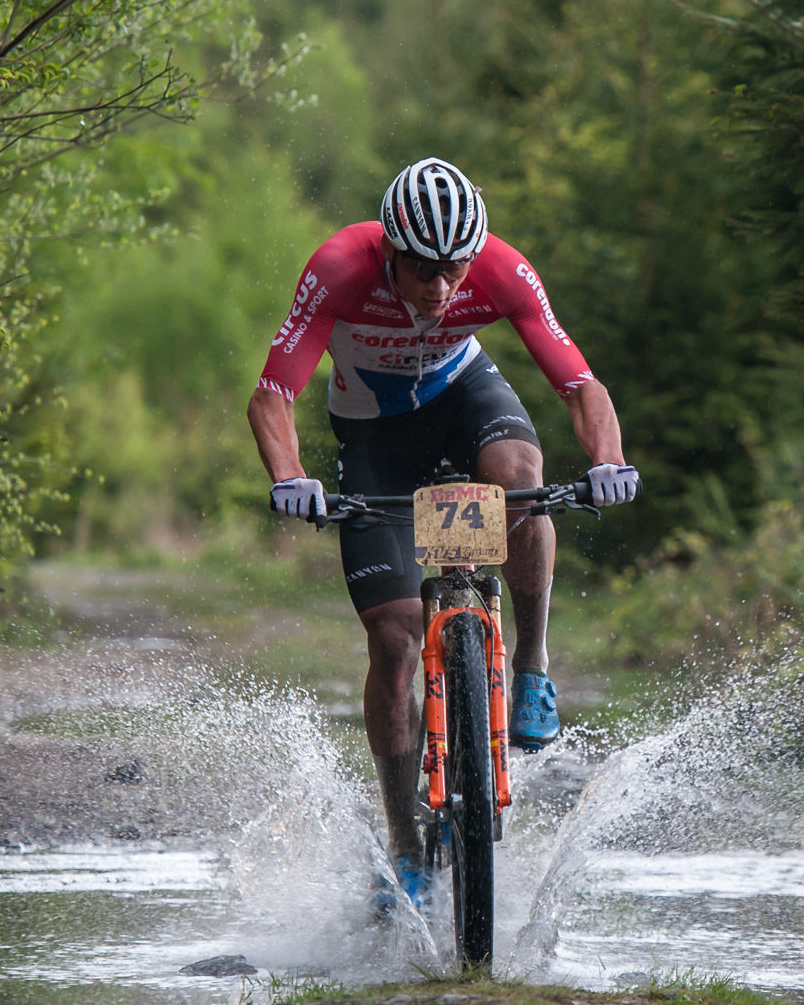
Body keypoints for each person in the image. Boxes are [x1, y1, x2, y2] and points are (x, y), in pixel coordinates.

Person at [246, 157, 638, 905]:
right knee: (393, 639)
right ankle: (404, 846)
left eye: (454, 268)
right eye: (422, 269)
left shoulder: (502, 270)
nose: (439, 286)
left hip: (463, 396)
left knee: (523, 475)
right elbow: (272, 393)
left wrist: (609, 460)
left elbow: (579, 381)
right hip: (373, 434)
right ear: (389, 249)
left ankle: (531, 666)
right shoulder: (338, 267)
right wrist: (291, 478)